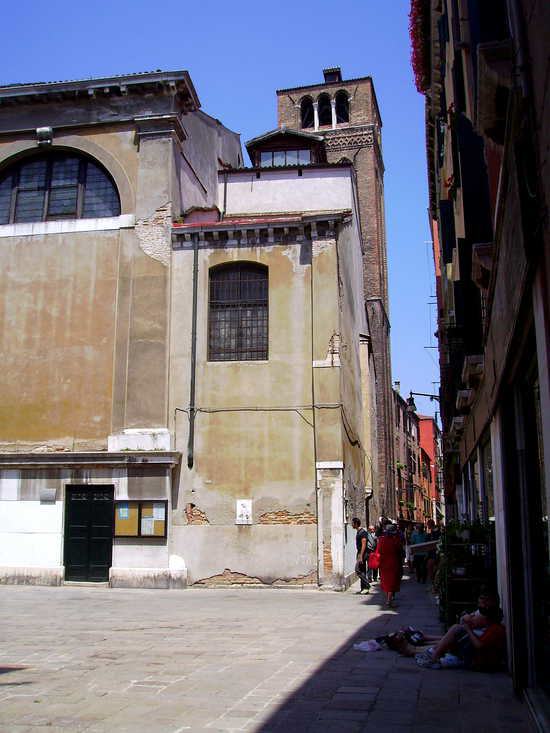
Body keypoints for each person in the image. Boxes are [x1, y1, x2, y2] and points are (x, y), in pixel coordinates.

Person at [416, 590, 506, 670]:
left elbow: (479, 645)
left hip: (478, 660)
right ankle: (433, 652)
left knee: (456, 631)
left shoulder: (495, 629)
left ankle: (433, 654)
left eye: (482, 603)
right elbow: (466, 619)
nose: (480, 605)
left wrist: (468, 629)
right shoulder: (483, 616)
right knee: (456, 631)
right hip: (473, 652)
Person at [377, 522, 403, 607]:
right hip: (393, 563)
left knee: (386, 581)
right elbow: (400, 551)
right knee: (392, 582)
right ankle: (389, 600)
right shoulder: (396, 541)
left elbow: (379, 551)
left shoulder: (381, 540)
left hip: (383, 563)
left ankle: (389, 598)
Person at [352, 517, 370, 594]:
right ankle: (364, 589)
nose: (352, 524)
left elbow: (364, 544)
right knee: (362, 570)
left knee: (357, 569)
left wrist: (361, 556)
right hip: (360, 552)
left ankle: (367, 584)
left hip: (363, 553)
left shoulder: (362, 532)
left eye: (353, 523)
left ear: (356, 523)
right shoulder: (359, 531)